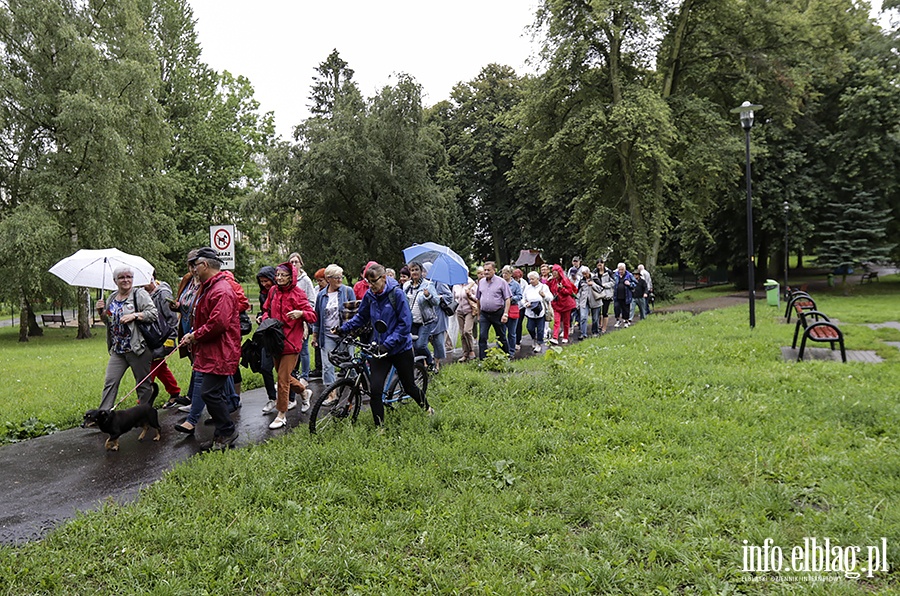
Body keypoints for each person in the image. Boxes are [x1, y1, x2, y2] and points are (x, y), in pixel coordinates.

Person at [340, 263, 432, 426]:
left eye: (374, 281)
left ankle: (428, 410)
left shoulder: (396, 294)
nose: (371, 286)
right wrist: (343, 329)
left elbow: (405, 324)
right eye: (368, 282)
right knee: (375, 391)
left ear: (384, 278)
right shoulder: (370, 295)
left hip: (400, 349)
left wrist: (388, 344)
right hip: (379, 349)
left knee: (409, 387)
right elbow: (361, 317)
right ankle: (379, 429)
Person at [178, 247, 241, 450]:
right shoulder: (209, 287)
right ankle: (221, 434)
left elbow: (218, 323)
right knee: (215, 393)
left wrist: (195, 335)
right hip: (211, 349)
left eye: (195, 265)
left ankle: (228, 430)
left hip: (221, 350)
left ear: (204, 265)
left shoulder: (221, 290)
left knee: (209, 393)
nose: (193, 270)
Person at [261, 262, 316, 429]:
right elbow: (266, 310)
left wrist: (301, 313)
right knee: (283, 375)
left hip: (291, 342)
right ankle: (304, 392)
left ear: (290, 277)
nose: (278, 278)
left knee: (282, 379)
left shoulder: (297, 294)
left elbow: (313, 316)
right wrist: (263, 319)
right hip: (275, 341)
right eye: (277, 275)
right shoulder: (273, 291)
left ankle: (281, 414)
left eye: (282, 276)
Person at [95, 266, 159, 410]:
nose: (126, 280)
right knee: (110, 381)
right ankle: (104, 414)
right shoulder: (112, 297)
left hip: (137, 348)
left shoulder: (139, 294)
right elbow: (110, 322)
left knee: (142, 384)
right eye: (122, 277)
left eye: (128, 277)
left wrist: (135, 315)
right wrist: (101, 313)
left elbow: (153, 313)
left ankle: (144, 414)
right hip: (118, 349)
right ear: (115, 280)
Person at [311, 264, 356, 391]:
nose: (340, 280)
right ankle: (331, 393)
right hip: (327, 335)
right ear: (328, 278)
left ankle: (354, 389)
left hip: (344, 334)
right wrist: (315, 336)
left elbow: (354, 313)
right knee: (327, 365)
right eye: (336, 278)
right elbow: (318, 317)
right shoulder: (321, 295)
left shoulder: (348, 291)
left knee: (350, 362)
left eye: (341, 277)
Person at [144, 273, 182, 408]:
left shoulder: (163, 293)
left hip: (164, 338)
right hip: (152, 337)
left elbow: (172, 317)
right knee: (160, 366)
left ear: (152, 277)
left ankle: (142, 402)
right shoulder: (144, 293)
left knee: (151, 367)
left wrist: (171, 339)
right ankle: (175, 393)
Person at [403, 261, 439, 370]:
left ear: (421, 271)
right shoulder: (406, 286)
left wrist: (428, 296)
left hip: (426, 321)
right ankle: (420, 368)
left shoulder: (428, 285)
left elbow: (436, 302)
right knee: (413, 346)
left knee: (420, 345)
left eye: (416, 270)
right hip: (412, 321)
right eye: (412, 270)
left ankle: (430, 361)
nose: (414, 272)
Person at [289, 252, 317, 382]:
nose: (294, 264)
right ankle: (293, 373)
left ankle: (305, 376)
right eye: (291, 262)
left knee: (304, 348)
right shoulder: (287, 279)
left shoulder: (305, 280)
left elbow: (312, 301)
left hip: (302, 320)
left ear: (301, 263)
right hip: (289, 321)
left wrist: (302, 312)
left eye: (296, 262)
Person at [254, 266, 278, 411]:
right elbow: (264, 311)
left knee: (286, 372)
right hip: (267, 334)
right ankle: (272, 398)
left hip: (281, 335)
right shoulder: (263, 294)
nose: (264, 284)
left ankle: (296, 395)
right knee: (264, 367)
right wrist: (260, 317)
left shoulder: (281, 292)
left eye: (266, 280)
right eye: (261, 282)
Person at [476, 261, 511, 359]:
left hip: (497, 313)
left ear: (494, 270)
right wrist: (478, 314)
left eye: (488, 270)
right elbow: (478, 298)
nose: (486, 272)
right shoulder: (481, 282)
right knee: (482, 336)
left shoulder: (501, 282)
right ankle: (483, 359)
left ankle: (506, 357)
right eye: (485, 270)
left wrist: (505, 314)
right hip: (484, 314)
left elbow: (507, 298)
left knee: (501, 336)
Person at [521, 271, 551, 353]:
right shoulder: (527, 287)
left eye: (532, 279)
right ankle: (534, 338)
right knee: (530, 328)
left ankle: (539, 344)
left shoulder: (544, 287)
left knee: (540, 329)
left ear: (537, 279)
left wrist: (544, 295)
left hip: (540, 311)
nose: (531, 281)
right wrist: (526, 304)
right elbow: (523, 298)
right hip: (530, 311)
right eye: (529, 279)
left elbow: (550, 298)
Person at [547, 264, 576, 344]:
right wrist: (548, 281)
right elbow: (547, 288)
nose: (554, 274)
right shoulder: (552, 281)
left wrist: (562, 288)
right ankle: (555, 337)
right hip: (557, 304)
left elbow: (569, 292)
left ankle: (565, 336)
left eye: (555, 272)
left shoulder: (565, 280)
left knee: (566, 322)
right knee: (557, 321)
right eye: (553, 272)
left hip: (566, 305)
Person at [453, 275, 478, 362]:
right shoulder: (455, 285)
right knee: (462, 333)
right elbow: (454, 298)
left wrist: (470, 295)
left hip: (469, 310)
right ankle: (465, 354)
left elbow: (478, 298)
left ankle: (471, 350)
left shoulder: (472, 284)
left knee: (467, 331)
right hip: (459, 311)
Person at [500, 265, 522, 358]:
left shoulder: (515, 284)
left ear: (510, 274)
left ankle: (511, 351)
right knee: (501, 331)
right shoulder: (499, 283)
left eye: (506, 273)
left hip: (512, 309)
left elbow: (520, 296)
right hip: (501, 309)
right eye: (503, 273)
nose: (504, 275)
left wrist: (511, 298)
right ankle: (501, 350)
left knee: (512, 333)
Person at [576, 267, 603, 340]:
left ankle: (595, 332)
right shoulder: (581, 281)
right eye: (583, 274)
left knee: (595, 318)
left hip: (595, 301)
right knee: (583, 317)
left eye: (585, 274)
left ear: (589, 272)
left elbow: (601, 289)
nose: (584, 275)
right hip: (584, 302)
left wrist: (593, 284)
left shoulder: (595, 279)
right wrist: (577, 304)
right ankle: (583, 333)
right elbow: (578, 293)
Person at [593, 260, 615, 334]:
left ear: (603, 264)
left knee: (605, 312)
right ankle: (600, 325)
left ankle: (604, 328)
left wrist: (604, 285)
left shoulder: (608, 272)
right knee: (598, 311)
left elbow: (613, 282)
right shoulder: (594, 272)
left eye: (601, 264)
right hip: (598, 294)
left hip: (606, 294)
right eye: (598, 264)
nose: (600, 266)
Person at [612, 262, 637, 328]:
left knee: (626, 309)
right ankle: (618, 320)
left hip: (626, 296)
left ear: (625, 269)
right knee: (616, 308)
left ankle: (626, 321)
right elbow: (612, 282)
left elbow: (635, 283)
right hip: (617, 295)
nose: (620, 271)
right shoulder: (615, 275)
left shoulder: (629, 275)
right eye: (619, 269)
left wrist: (630, 284)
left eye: (622, 269)